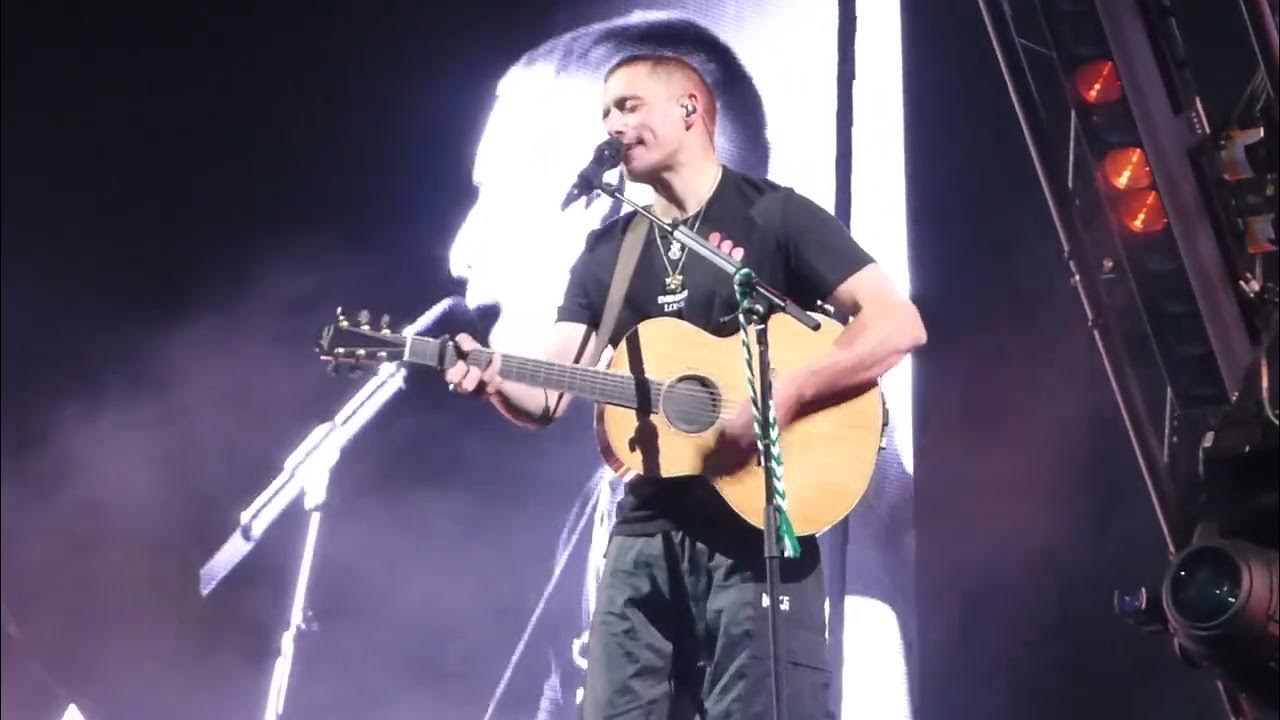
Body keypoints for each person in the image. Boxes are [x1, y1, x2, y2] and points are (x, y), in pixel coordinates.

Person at [444, 49, 926, 719]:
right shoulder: (610, 253)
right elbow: (551, 389)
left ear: (689, 110)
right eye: (606, 110)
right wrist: (495, 378)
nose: (611, 123)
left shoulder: (775, 218)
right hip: (644, 534)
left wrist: (780, 396)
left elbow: (896, 324)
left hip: (756, 529)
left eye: (628, 105)